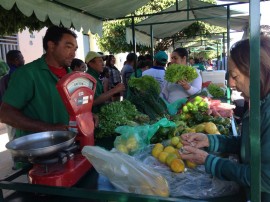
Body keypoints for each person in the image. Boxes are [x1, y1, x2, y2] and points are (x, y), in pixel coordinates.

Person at [180, 36, 270, 201]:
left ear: (259, 72)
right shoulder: (258, 104)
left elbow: (264, 178)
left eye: (235, 76)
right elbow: (249, 143)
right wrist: (210, 140)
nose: (230, 84)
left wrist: (209, 161)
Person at [0, 26, 99, 140]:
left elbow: (74, 108)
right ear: (51, 46)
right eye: (68, 47)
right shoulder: (27, 74)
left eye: (75, 49)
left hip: (69, 145)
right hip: (38, 151)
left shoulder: (72, 76)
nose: (73, 54)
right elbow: (5, 114)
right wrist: (48, 128)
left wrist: (86, 116)